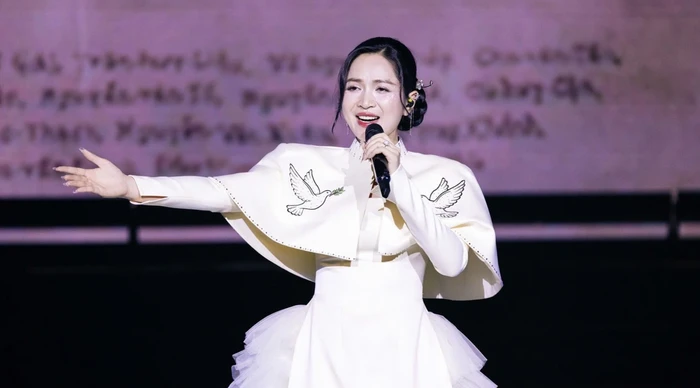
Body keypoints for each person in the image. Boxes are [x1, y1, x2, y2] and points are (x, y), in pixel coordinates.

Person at [55, 37, 503, 388]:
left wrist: (399, 182)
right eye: (353, 87)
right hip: (322, 348)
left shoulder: (444, 176)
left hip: (408, 353)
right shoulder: (305, 165)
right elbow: (222, 191)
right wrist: (132, 186)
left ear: (408, 100)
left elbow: (452, 262)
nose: (364, 101)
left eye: (382, 88)